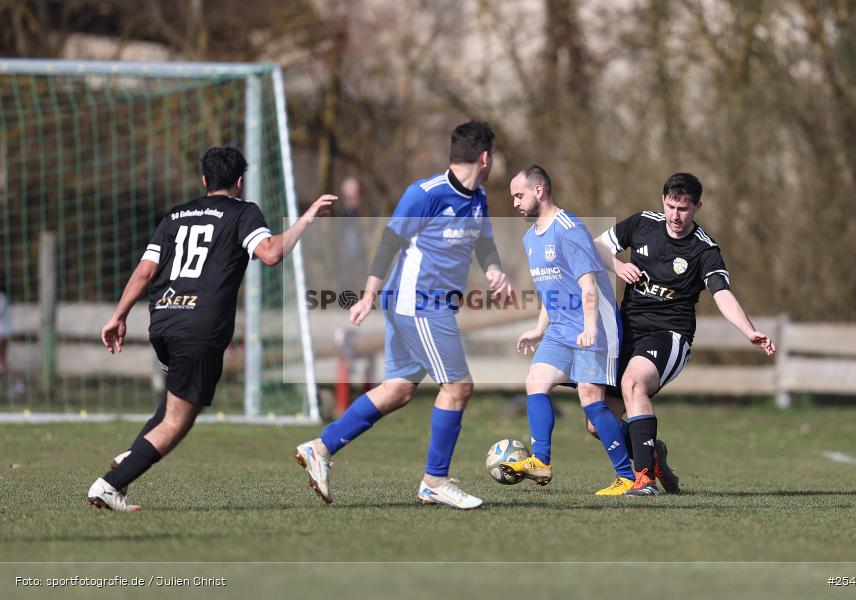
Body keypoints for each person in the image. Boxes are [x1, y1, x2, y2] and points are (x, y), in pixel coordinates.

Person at [88, 146, 335, 512]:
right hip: (199, 326)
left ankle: (132, 457)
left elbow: (144, 271)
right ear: (239, 181)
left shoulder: (175, 215)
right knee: (179, 421)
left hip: (164, 320)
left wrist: (118, 315)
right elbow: (270, 253)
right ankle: (109, 485)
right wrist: (306, 219)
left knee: (176, 400)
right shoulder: (242, 212)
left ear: (204, 181)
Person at [294, 121, 511, 510]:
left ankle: (320, 448)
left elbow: (484, 242)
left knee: (398, 389)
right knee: (458, 387)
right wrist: (366, 296)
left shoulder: (477, 198)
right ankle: (435, 480)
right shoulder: (424, 194)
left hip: (429, 304)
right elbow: (389, 242)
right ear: (484, 157)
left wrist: (493, 269)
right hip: (418, 304)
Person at [592, 172, 776, 496]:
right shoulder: (642, 224)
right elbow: (597, 247)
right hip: (628, 331)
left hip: (669, 335)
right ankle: (654, 455)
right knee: (598, 423)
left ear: (698, 207)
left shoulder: (704, 250)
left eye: (684, 209)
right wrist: (618, 266)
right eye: (671, 206)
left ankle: (644, 478)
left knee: (633, 384)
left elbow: (721, 293)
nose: (676, 216)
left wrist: (749, 331)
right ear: (663, 201)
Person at [499, 165, 635, 495]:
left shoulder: (569, 229)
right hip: (560, 329)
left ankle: (628, 476)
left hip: (597, 326)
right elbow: (553, 289)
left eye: (519, 195)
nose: (515, 203)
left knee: (591, 401)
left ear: (539, 192)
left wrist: (590, 329)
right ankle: (541, 461)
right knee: (535, 381)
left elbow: (588, 285)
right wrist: (538, 328)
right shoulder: (530, 238)